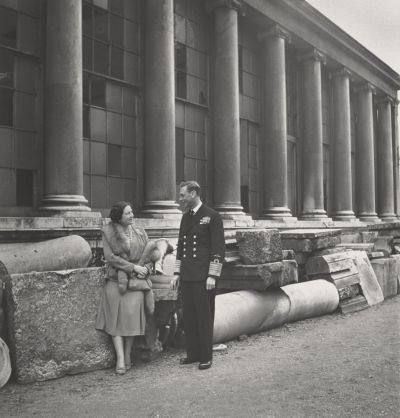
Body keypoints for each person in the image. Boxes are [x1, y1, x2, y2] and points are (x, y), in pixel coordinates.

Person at [171, 181, 225, 370]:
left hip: (204, 277)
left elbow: (218, 250)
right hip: (187, 275)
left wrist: (213, 275)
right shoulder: (186, 218)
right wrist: (177, 272)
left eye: (183, 195)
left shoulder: (212, 216)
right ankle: (193, 354)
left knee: (204, 317)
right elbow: (180, 247)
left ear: (193, 193)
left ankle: (205, 356)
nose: (180, 199)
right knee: (190, 316)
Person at [96, 201, 154, 375]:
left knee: (130, 321)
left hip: (136, 283)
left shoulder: (140, 232)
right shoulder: (108, 232)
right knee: (115, 321)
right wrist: (132, 267)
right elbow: (110, 257)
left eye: (132, 212)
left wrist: (146, 269)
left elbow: (150, 255)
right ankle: (120, 358)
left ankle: (128, 353)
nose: (132, 215)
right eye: (128, 213)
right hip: (115, 281)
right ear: (119, 216)